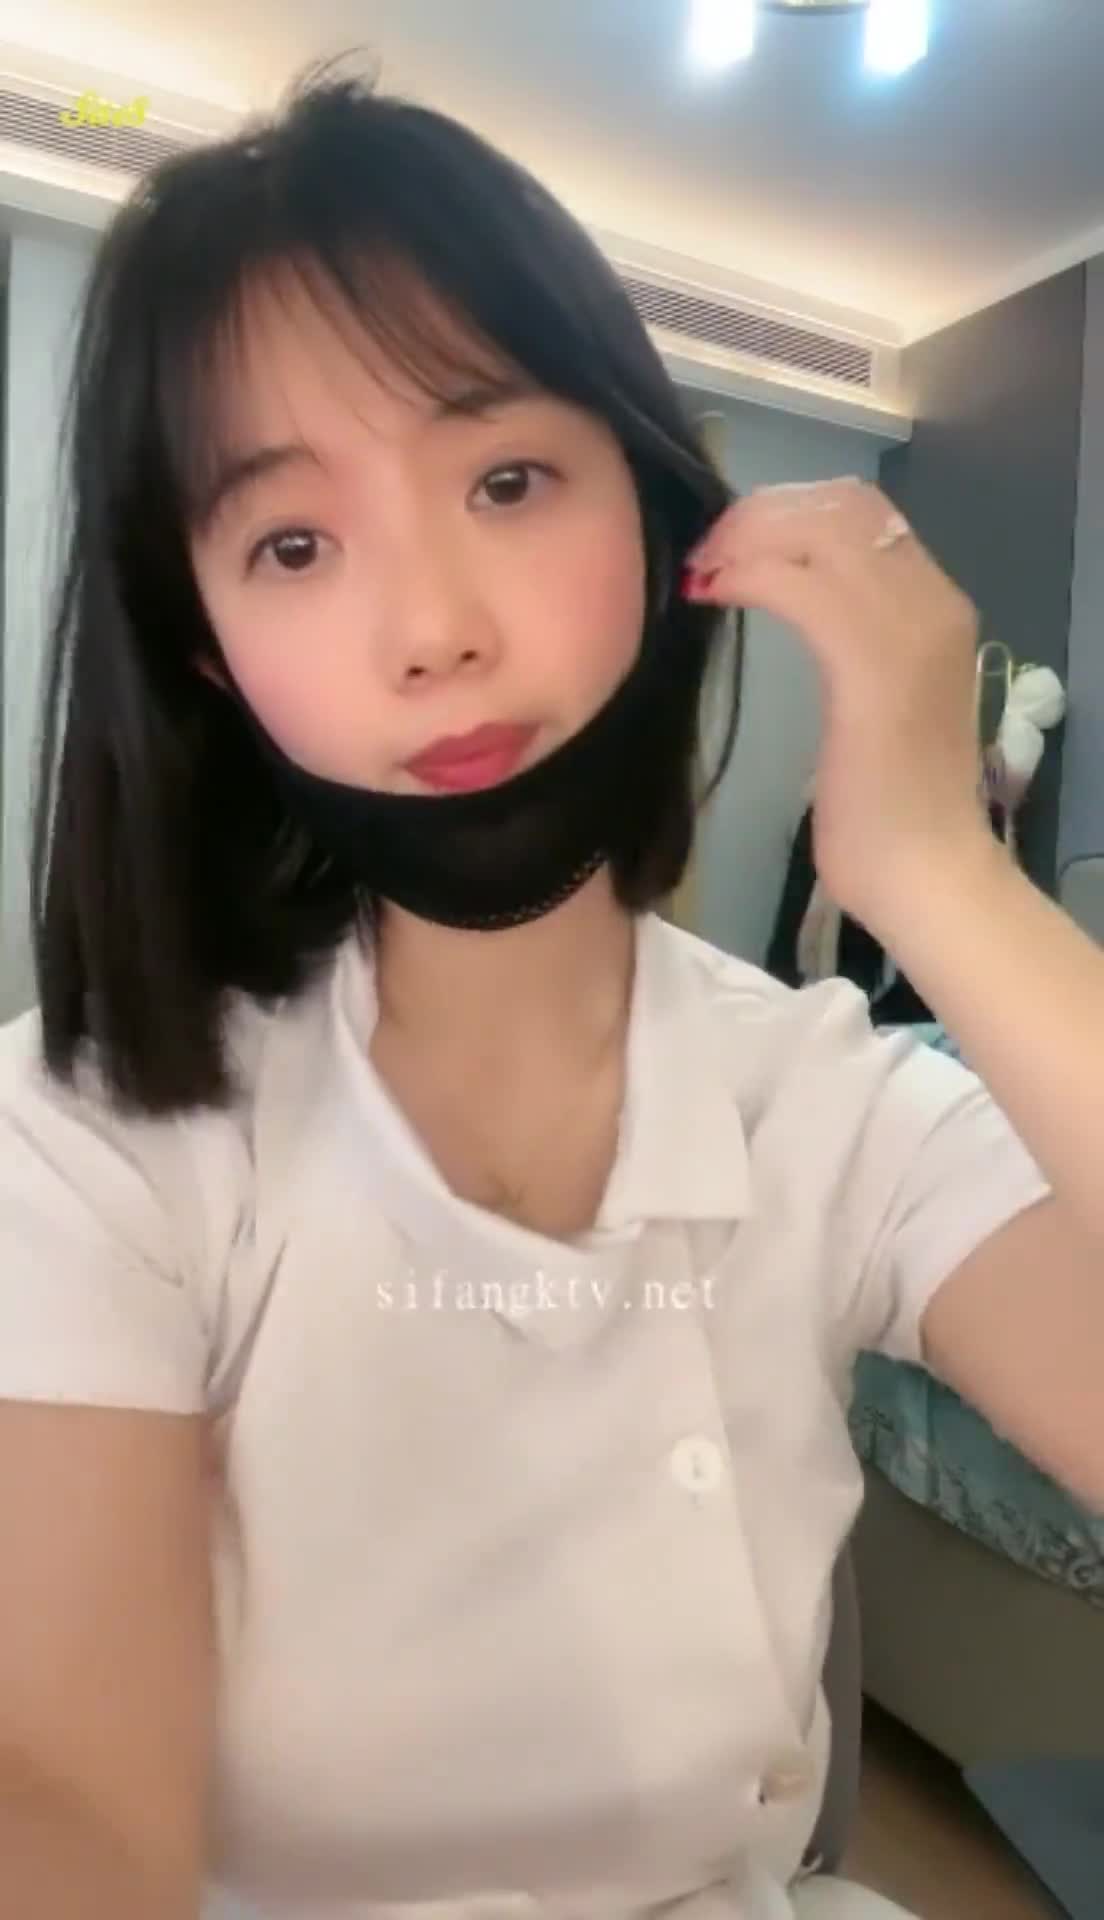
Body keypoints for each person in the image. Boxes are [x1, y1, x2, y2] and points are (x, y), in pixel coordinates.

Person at [0, 60, 1100, 1920]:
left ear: (669, 529)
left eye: (507, 480)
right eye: (293, 543)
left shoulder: (828, 1100)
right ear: (207, 656)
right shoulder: (85, 1142)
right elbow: (69, 1819)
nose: (433, 628)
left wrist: (936, 864)